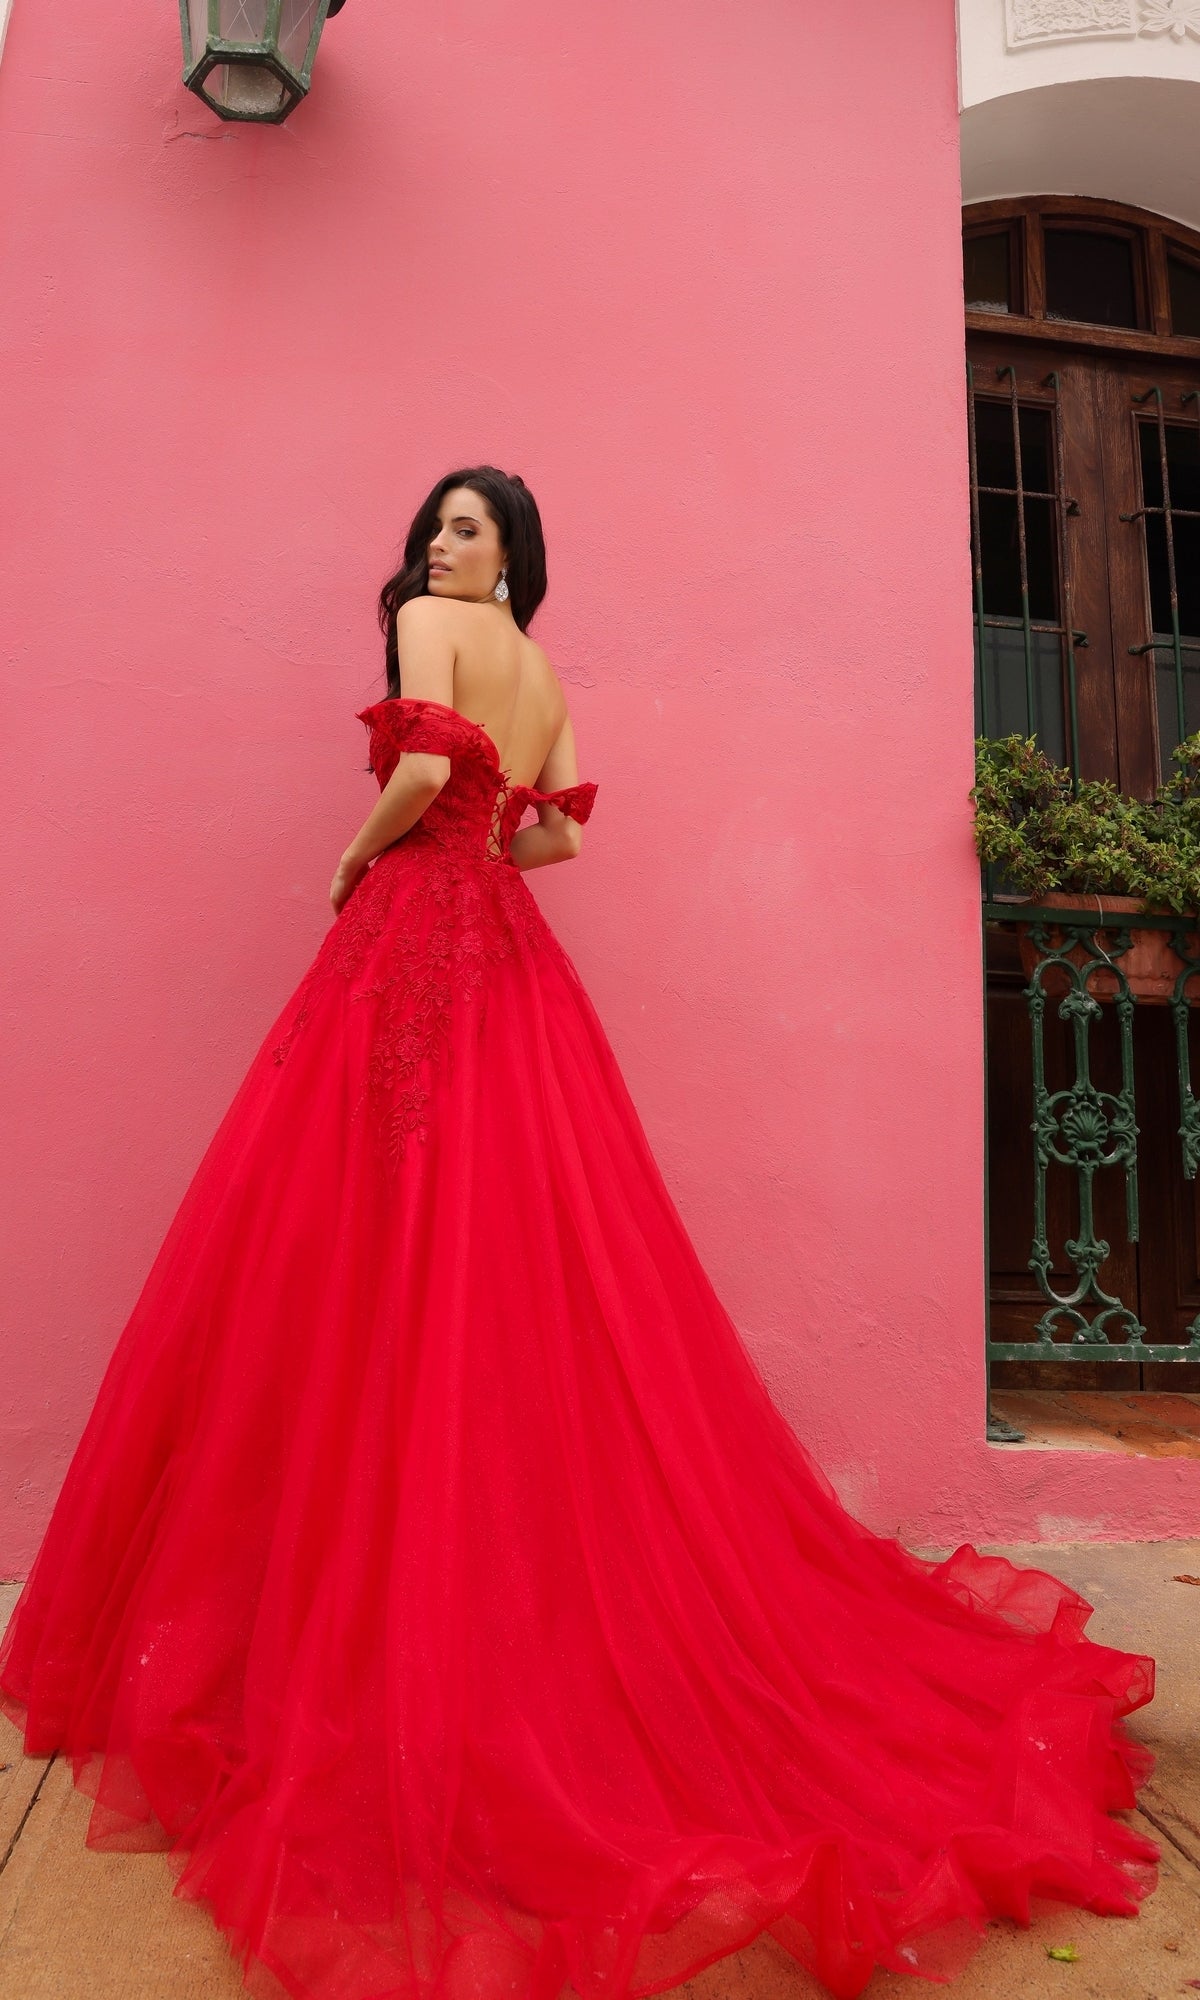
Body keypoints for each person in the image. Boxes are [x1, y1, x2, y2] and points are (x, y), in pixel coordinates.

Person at [0, 465, 1158, 2000]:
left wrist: (356, 863)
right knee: (499, 1248)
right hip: (505, 961)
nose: (435, 546)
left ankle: (365, 1614)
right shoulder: (544, 671)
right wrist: (467, 827)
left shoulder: (428, 627)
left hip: (411, 936)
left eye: (467, 528)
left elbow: (419, 781)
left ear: (507, 556)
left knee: (358, 1238)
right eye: (435, 525)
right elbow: (551, 848)